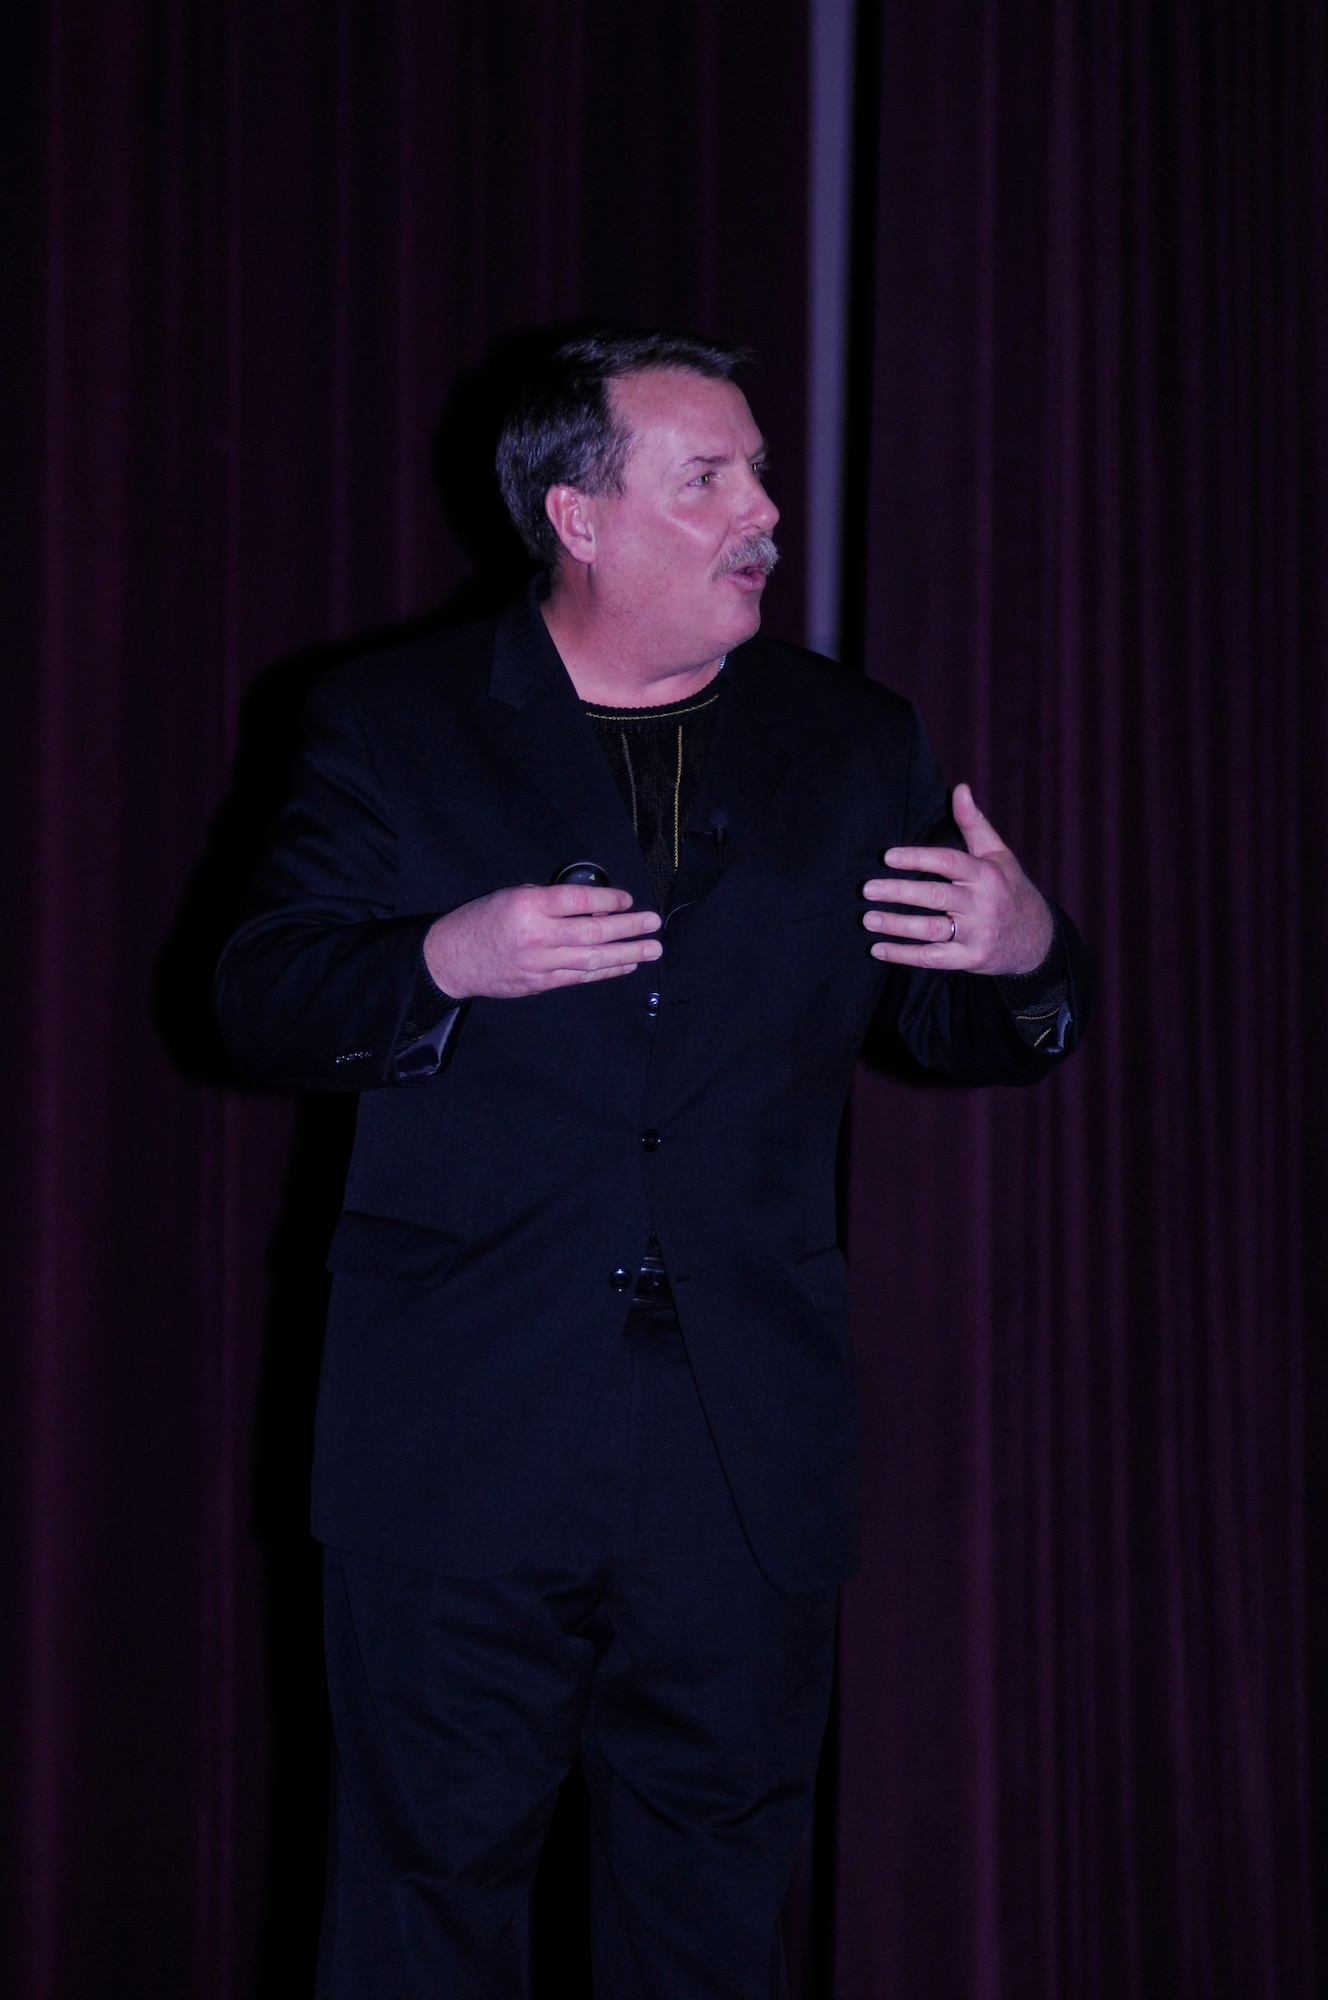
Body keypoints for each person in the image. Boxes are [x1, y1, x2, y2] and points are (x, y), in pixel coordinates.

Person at [216, 329, 1093, 1999]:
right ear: (582, 517)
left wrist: (1029, 953)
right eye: (711, 478)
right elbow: (257, 996)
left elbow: (966, 1024)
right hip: (459, 1431)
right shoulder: (391, 726)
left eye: (759, 470)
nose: (765, 509)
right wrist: (440, 960)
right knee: (420, 1911)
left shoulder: (854, 741)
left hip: (742, 1448)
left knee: (709, 1926)